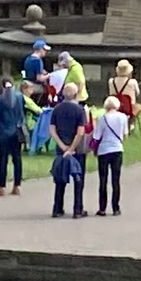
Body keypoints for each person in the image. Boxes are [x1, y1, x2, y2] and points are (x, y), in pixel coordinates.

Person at [51, 82, 89, 218]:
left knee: (60, 178)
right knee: (78, 178)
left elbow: (52, 130)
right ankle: (77, 209)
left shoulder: (57, 109)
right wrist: (72, 148)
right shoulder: (80, 110)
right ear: (75, 94)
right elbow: (80, 132)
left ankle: (57, 208)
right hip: (77, 149)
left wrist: (62, 146)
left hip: (61, 148)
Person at [90, 96, 128, 216]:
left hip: (104, 150)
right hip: (117, 149)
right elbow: (125, 134)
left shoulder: (102, 118)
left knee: (103, 180)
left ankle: (102, 208)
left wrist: (93, 148)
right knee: (116, 180)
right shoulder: (123, 117)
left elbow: (96, 136)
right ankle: (116, 208)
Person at [0, 77, 26, 196]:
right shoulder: (20, 97)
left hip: (3, 132)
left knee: (3, 160)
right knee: (17, 159)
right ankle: (17, 186)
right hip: (16, 131)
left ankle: (2, 186)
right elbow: (22, 114)